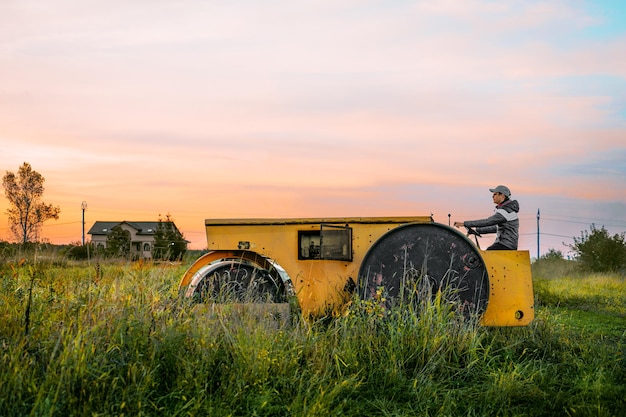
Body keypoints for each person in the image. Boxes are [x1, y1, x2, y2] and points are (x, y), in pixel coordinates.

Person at [454, 185, 519, 250]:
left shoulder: (505, 211)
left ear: (502, 195)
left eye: (495, 194)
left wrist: (464, 224)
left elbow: (488, 221)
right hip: (506, 244)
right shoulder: (506, 210)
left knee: (487, 254)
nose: (492, 196)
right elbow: (495, 228)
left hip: (506, 245)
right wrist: (477, 230)